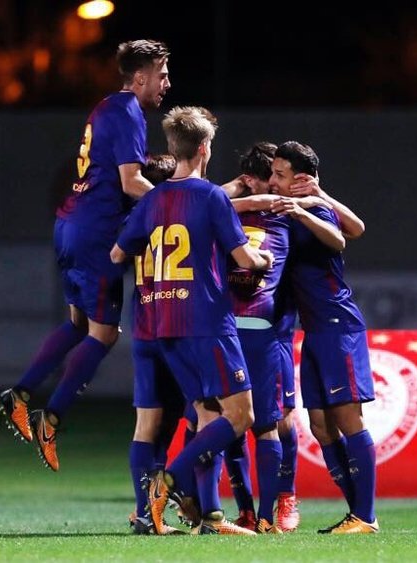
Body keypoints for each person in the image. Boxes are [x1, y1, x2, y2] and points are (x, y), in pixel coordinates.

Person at [0, 39, 171, 472]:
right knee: (105, 334)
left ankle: (19, 394)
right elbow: (131, 183)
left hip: (69, 223)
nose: (167, 82)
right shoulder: (130, 111)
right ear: (141, 75)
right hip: (96, 232)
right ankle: (50, 418)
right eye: (163, 73)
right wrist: (175, 205)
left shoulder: (107, 107)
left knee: (77, 323)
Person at [110, 106, 273, 535]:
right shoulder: (212, 196)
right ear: (204, 149)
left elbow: (117, 253)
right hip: (206, 321)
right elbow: (244, 259)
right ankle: (170, 480)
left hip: (162, 323)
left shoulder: (154, 199)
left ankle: (207, 516)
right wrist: (264, 257)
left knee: (205, 414)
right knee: (240, 416)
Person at [269, 141, 379, 534]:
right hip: (313, 331)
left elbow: (342, 237)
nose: (273, 181)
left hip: (337, 325)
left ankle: (366, 516)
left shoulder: (312, 210)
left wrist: (310, 204)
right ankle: (356, 512)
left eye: (280, 174)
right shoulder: (291, 209)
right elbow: (357, 225)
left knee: (348, 419)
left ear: (300, 179)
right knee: (319, 425)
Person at [221, 142, 293, 534]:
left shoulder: (222, 215)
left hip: (230, 330)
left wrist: (239, 193)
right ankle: (262, 516)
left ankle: (261, 508)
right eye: (275, 178)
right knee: (265, 425)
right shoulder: (287, 216)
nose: (279, 187)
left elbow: (198, 202)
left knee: (235, 421)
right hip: (257, 330)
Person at [127, 154, 186, 535]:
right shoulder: (180, 218)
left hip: (143, 327)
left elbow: (117, 254)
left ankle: (145, 510)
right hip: (177, 329)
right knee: (196, 417)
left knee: (148, 425)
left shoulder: (137, 219)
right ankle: (194, 508)